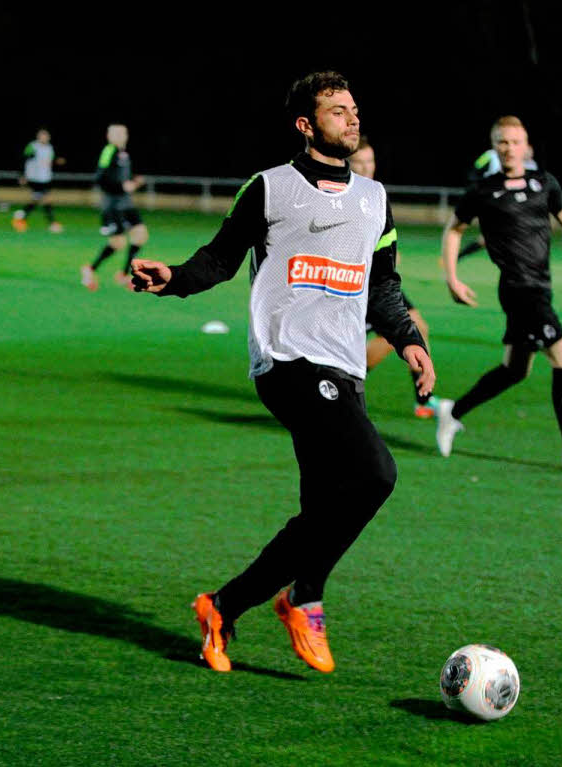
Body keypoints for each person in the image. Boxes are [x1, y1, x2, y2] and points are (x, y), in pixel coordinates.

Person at [129, 71, 434, 674]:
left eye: (354, 109)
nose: (352, 118)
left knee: (325, 505)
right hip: (288, 357)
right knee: (375, 474)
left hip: (346, 366)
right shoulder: (270, 189)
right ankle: (298, 597)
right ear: (306, 125)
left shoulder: (374, 199)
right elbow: (219, 257)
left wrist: (407, 340)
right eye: (338, 111)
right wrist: (175, 279)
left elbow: (384, 285)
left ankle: (230, 605)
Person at [436, 115, 562, 472]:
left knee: (515, 370)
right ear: (495, 146)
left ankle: (452, 411)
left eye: (515, 142)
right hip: (519, 291)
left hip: (540, 288)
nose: (509, 148)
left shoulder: (545, 183)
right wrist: (452, 278)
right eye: (502, 142)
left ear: (526, 146)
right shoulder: (483, 191)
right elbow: (454, 231)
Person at [349, 136, 436, 418]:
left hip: (382, 282)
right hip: (360, 285)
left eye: (369, 162)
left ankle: (423, 400)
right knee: (391, 337)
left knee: (418, 327)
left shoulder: (376, 193)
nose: (365, 168)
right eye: (358, 163)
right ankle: (346, 385)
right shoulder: (345, 195)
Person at [80, 124, 148, 291]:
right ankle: (89, 269)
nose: (120, 135)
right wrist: (122, 186)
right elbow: (100, 177)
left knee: (140, 235)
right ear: (109, 136)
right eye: (115, 133)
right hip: (113, 206)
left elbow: (121, 175)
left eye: (122, 132)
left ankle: (124, 274)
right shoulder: (109, 150)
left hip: (126, 204)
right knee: (118, 243)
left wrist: (134, 180)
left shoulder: (123, 153)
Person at [457, 145, 539, 261]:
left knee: (490, 238)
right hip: (491, 201)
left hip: (514, 205)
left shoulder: (531, 166)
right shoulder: (490, 154)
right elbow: (476, 168)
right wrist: (479, 187)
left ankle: (458, 255)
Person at [11, 128, 65, 233]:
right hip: (34, 178)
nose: (44, 138)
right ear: (38, 137)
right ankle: (52, 223)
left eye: (46, 136)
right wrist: (22, 175)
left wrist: (57, 160)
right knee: (46, 199)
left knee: (37, 200)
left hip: (45, 178)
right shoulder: (33, 146)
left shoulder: (49, 148)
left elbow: (49, 160)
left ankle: (20, 217)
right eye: (42, 136)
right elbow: (23, 159)